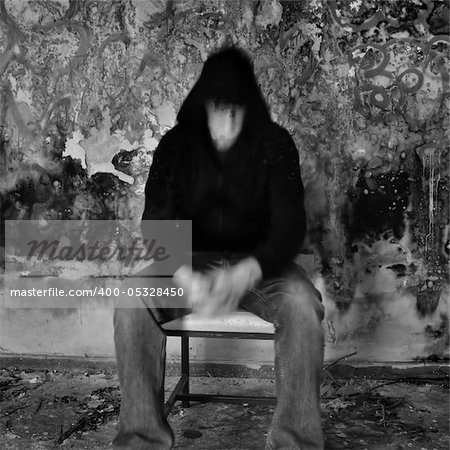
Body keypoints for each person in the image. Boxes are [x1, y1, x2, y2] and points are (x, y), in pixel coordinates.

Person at [113, 47, 325, 450]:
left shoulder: (275, 143)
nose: (227, 124)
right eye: (218, 111)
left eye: (236, 111)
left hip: (263, 268)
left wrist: (249, 270)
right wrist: (181, 272)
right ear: (202, 105)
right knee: (130, 299)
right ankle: (141, 441)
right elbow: (157, 220)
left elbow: (289, 226)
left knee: (302, 305)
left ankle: (294, 443)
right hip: (191, 264)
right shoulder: (177, 146)